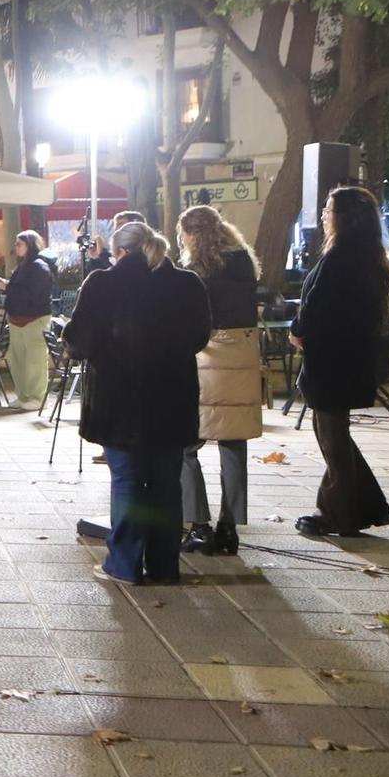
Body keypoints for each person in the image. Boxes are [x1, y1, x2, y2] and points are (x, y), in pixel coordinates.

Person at [64, 222, 211, 584]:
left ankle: (125, 564)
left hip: (119, 402)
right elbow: (199, 336)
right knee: (165, 483)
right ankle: (164, 566)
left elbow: (79, 341)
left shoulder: (102, 284)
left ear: (120, 252)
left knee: (127, 480)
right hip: (172, 398)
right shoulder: (187, 283)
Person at [291, 186, 389, 538]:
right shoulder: (368, 258)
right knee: (335, 437)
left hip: (331, 362)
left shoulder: (338, 260)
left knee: (333, 439)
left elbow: (316, 308)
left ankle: (340, 514)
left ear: (345, 218)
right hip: (351, 359)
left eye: (329, 209)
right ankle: (361, 507)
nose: (323, 214)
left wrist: (298, 331)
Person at [175, 206, 262, 555]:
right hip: (242, 356)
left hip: (208, 359)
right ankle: (229, 527)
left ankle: (198, 524)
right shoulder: (243, 264)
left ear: (192, 235)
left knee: (185, 445)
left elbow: (188, 319)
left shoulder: (197, 271)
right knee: (233, 443)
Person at [0, 230, 55, 407]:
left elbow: (33, 293)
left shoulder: (39, 266)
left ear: (30, 244)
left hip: (34, 318)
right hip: (18, 318)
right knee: (18, 360)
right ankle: (24, 395)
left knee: (35, 360)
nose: (15, 247)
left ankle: (37, 398)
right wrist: (8, 287)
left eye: (19, 243)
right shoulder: (25, 265)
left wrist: (9, 288)